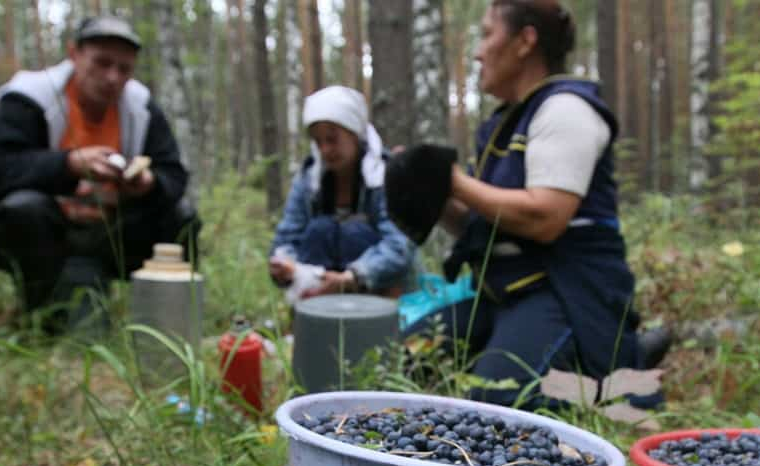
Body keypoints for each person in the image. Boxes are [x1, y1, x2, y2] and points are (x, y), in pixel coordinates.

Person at [387, 0, 671, 409]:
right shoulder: (506, 123)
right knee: (406, 358)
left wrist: (453, 181)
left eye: (487, 34)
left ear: (525, 41)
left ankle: (613, 373)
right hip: (503, 295)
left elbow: (545, 218)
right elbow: (484, 221)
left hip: (563, 293)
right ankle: (594, 361)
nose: (478, 52)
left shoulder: (567, 109)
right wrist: (434, 192)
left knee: (497, 399)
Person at [0, 15, 199, 333]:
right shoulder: (31, 96)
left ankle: (167, 317)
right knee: (22, 208)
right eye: (101, 63)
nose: (112, 77)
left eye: (124, 68)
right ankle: (38, 312)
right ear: (73, 53)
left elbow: (173, 173)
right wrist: (69, 164)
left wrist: (147, 184)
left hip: (114, 231)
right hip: (49, 231)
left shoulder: (140, 106)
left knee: (182, 214)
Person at [268, 86, 418, 303]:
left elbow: (399, 246)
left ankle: (379, 325)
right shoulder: (309, 180)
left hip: (378, 292)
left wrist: (352, 277)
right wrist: (285, 265)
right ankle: (314, 318)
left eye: (332, 139)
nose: (325, 149)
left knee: (354, 231)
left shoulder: (385, 175)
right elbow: (286, 238)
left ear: (354, 133)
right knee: (320, 230)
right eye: (318, 142)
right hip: (321, 287)